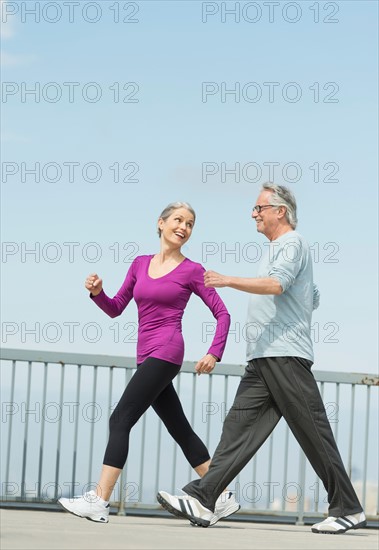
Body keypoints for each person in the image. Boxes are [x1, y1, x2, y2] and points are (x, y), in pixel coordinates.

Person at [157, 185, 366, 534]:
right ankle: (205, 500)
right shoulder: (277, 249)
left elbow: (276, 285)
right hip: (262, 357)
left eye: (258, 209)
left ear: (279, 211)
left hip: (285, 354)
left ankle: (348, 508)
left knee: (313, 433)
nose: (254, 214)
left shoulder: (292, 244)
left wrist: (227, 280)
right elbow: (312, 296)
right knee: (237, 429)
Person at [58, 201, 239, 524]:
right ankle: (221, 497)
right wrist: (98, 293)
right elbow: (116, 308)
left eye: (190, 224)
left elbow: (223, 313)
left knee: (120, 420)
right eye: (178, 220)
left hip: (167, 351)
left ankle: (100, 500)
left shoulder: (192, 270)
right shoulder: (140, 264)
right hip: (146, 356)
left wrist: (214, 351)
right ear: (160, 223)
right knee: (179, 428)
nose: (183, 227)